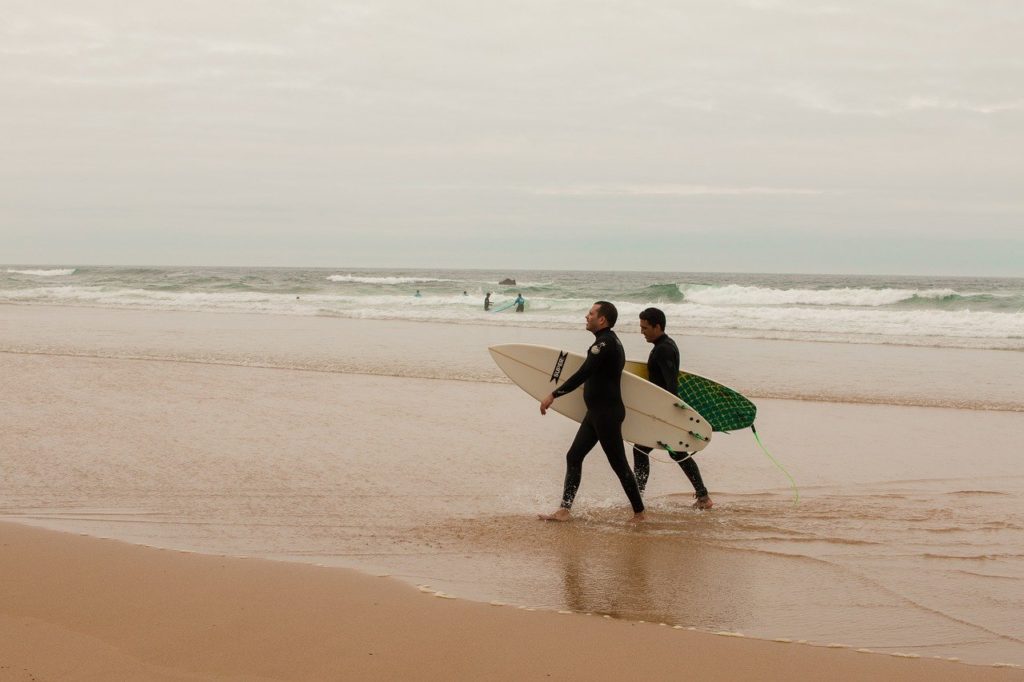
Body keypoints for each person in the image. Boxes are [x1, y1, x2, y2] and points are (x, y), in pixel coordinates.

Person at [538, 301, 646, 522]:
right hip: (596, 413)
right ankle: (564, 510)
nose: (586, 317)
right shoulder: (607, 341)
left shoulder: (604, 344)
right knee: (574, 456)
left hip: (606, 414)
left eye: (591, 313)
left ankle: (640, 513)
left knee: (618, 464)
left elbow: (583, 373)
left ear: (602, 319)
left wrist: (554, 394)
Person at [633, 307, 713, 510]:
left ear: (657, 326)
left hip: (665, 412)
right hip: (663, 411)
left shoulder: (664, 348)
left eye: (645, 327)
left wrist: (668, 415)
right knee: (674, 453)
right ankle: (703, 496)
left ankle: (637, 497)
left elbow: (671, 385)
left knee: (641, 448)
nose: (642, 331)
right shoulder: (663, 345)